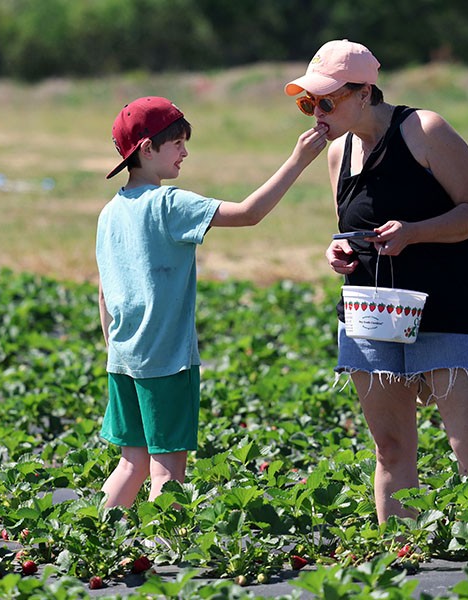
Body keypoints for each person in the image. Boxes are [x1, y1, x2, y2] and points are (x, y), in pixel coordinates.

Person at [285, 40, 468, 523]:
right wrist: (337, 249)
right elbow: (352, 225)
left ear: (365, 93)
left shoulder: (425, 129)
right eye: (308, 103)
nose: (314, 113)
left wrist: (416, 233)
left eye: (325, 101)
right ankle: (399, 557)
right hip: (372, 311)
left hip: (449, 304)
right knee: (391, 447)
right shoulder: (336, 152)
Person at [96, 96, 328, 508]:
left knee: (131, 462)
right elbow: (249, 213)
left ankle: (95, 538)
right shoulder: (168, 203)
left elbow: (103, 292)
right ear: (147, 149)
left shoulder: (110, 212)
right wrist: (298, 160)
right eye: (177, 144)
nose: (185, 152)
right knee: (166, 469)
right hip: (167, 361)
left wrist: (114, 348)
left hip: (123, 359)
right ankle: (163, 551)